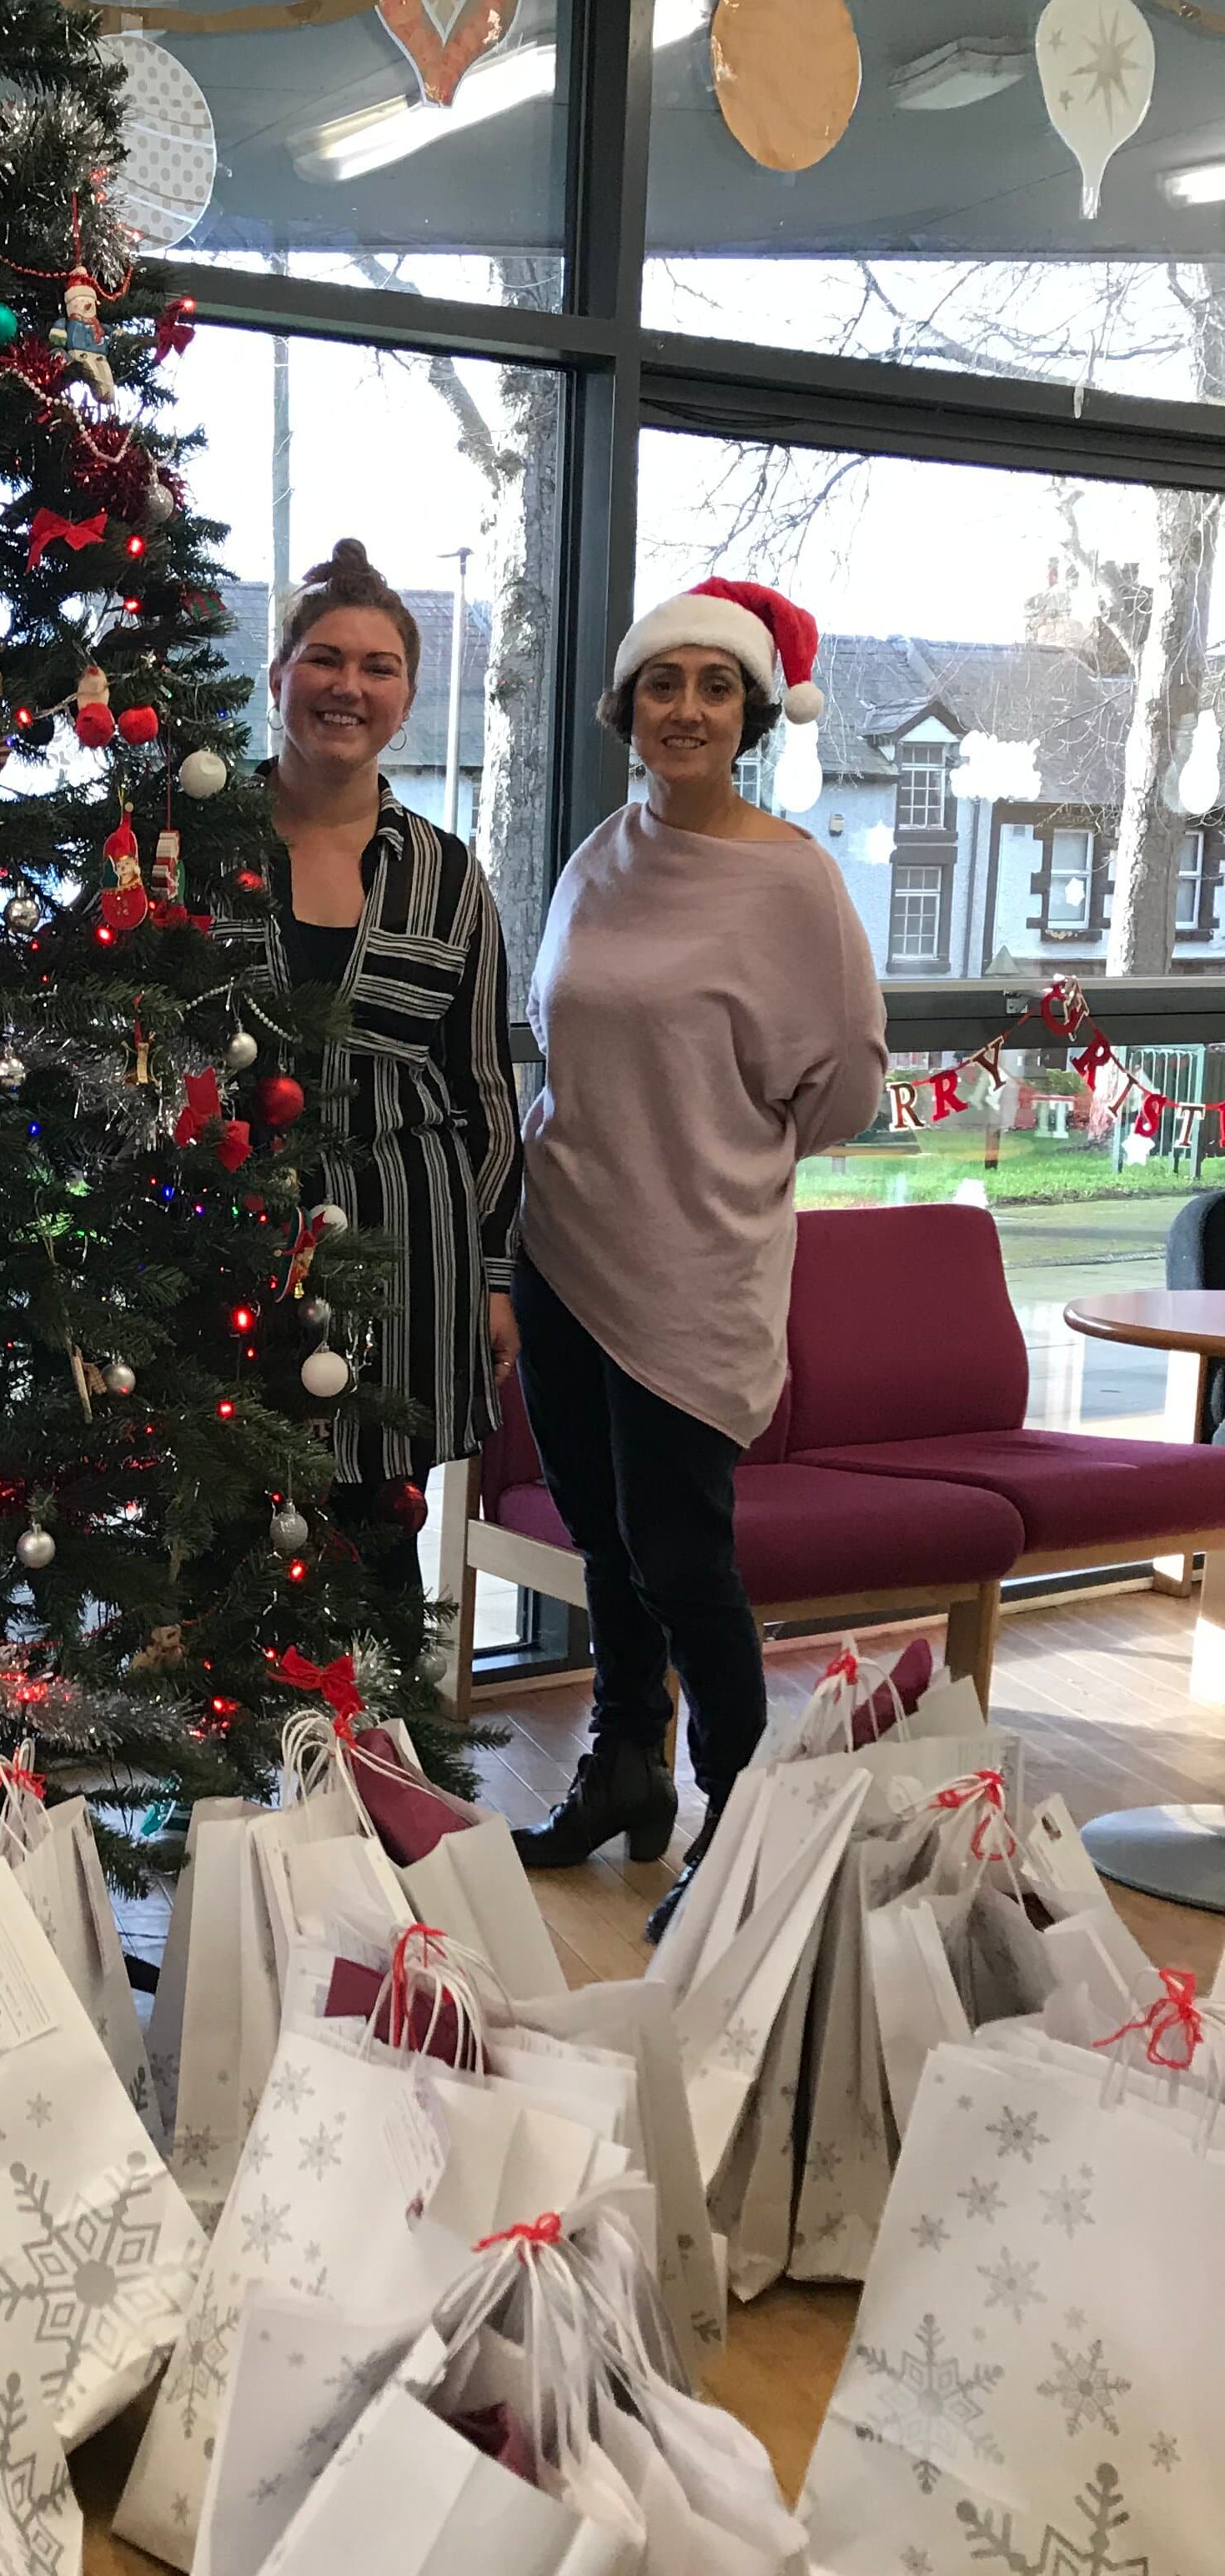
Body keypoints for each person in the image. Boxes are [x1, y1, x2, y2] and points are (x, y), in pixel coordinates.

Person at [511, 577, 888, 1939]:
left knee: (682, 1556)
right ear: (624, 708)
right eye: (658, 683)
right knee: (601, 1536)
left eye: (712, 685)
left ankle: (734, 1825)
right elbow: (557, 1034)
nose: (682, 707)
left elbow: (843, 1083)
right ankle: (623, 1771)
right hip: (560, 1245)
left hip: (692, 1268)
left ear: (746, 714)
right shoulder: (595, 856)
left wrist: (722, 1148)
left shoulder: (788, 878)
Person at [223, 539, 520, 1599]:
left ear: (405, 699)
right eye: (323, 658)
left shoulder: (447, 874)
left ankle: (375, 1763)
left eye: (379, 667)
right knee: (216, 1541)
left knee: (373, 1561)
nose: (349, 686)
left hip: (408, 1255)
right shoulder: (196, 847)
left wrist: (492, 1277)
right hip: (221, 1255)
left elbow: (485, 1085)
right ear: (279, 678)